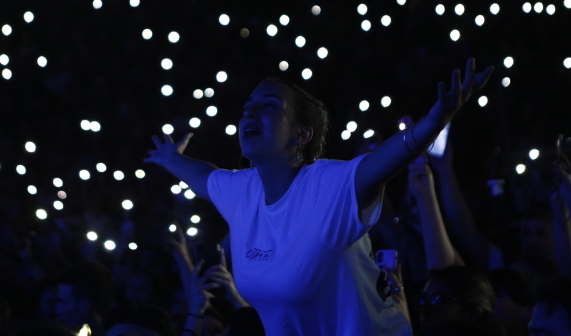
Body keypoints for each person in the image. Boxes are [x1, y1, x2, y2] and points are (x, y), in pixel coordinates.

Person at [145, 59, 493, 335]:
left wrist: (433, 122)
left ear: (301, 134)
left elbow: (380, 163)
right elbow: (203, 176)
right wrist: (171, 158)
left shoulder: (327, 185)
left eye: (268, 106)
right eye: (247, 106)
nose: (249, 112)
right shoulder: (242, 190)